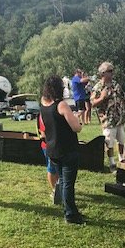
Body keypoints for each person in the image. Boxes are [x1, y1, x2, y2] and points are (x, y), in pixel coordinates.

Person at [40, 75, 84, 224]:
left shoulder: (43, 103)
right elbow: (76, 128)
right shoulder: (62, 105)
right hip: (67, 149)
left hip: (52, 148)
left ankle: (69, 210)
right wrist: (77, 118)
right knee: (67, 184)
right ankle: (71, 214)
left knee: (63, 181)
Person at [91, 61, 125, 173]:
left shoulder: (116, 84)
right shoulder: (98, 87)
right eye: (110, 71)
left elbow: (122, 97)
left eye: (112, 71)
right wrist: (102, 98)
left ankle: (122, 161)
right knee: (109, 142)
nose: (112, 73)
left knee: (121, 141)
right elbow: (92, 103)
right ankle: (112, 163)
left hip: (119, 118)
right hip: (108, 119)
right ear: (103, 73)